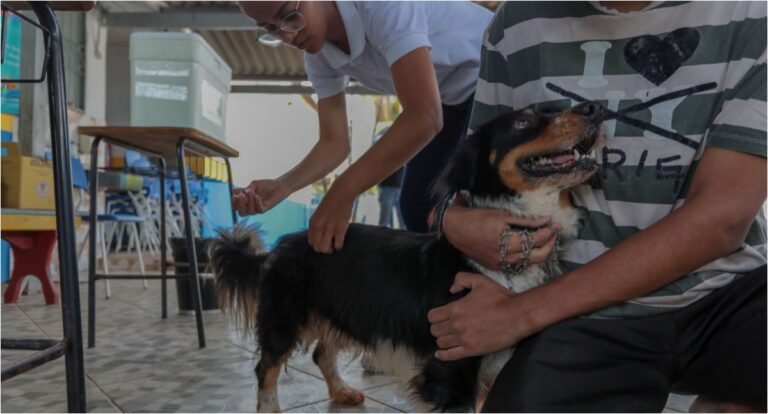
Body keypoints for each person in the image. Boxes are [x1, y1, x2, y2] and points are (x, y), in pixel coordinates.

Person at [427, 1, 767, 412]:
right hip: (581, 314)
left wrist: (518, 315)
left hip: (726, 295)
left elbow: (720, 218)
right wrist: (450, 217)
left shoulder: (752, 14)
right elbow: (476, 170)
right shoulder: (517, 22)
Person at [233, 1, 493, 253]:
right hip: (449, 99)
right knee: (419, 208)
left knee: (488, 199)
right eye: (271, 29)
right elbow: (333, 143)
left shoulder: (382, 6)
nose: (287, 36)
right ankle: (456, 289)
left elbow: (424, 117)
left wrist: (344, 191)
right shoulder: (320, 57)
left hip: (494, 72)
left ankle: (504, 289)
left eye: (289, 15)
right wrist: (282, 186)